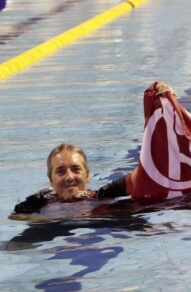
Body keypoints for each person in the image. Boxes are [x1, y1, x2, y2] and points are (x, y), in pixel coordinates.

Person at [12, 82, 175, 214]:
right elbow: (17, 222)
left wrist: (164, 107)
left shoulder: (101, 197)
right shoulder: (39, 202)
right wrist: (60, 219)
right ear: (51, 180)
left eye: (76, 169)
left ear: (87, 175)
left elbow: (147, 173)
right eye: (60, 171)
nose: (69, 177)